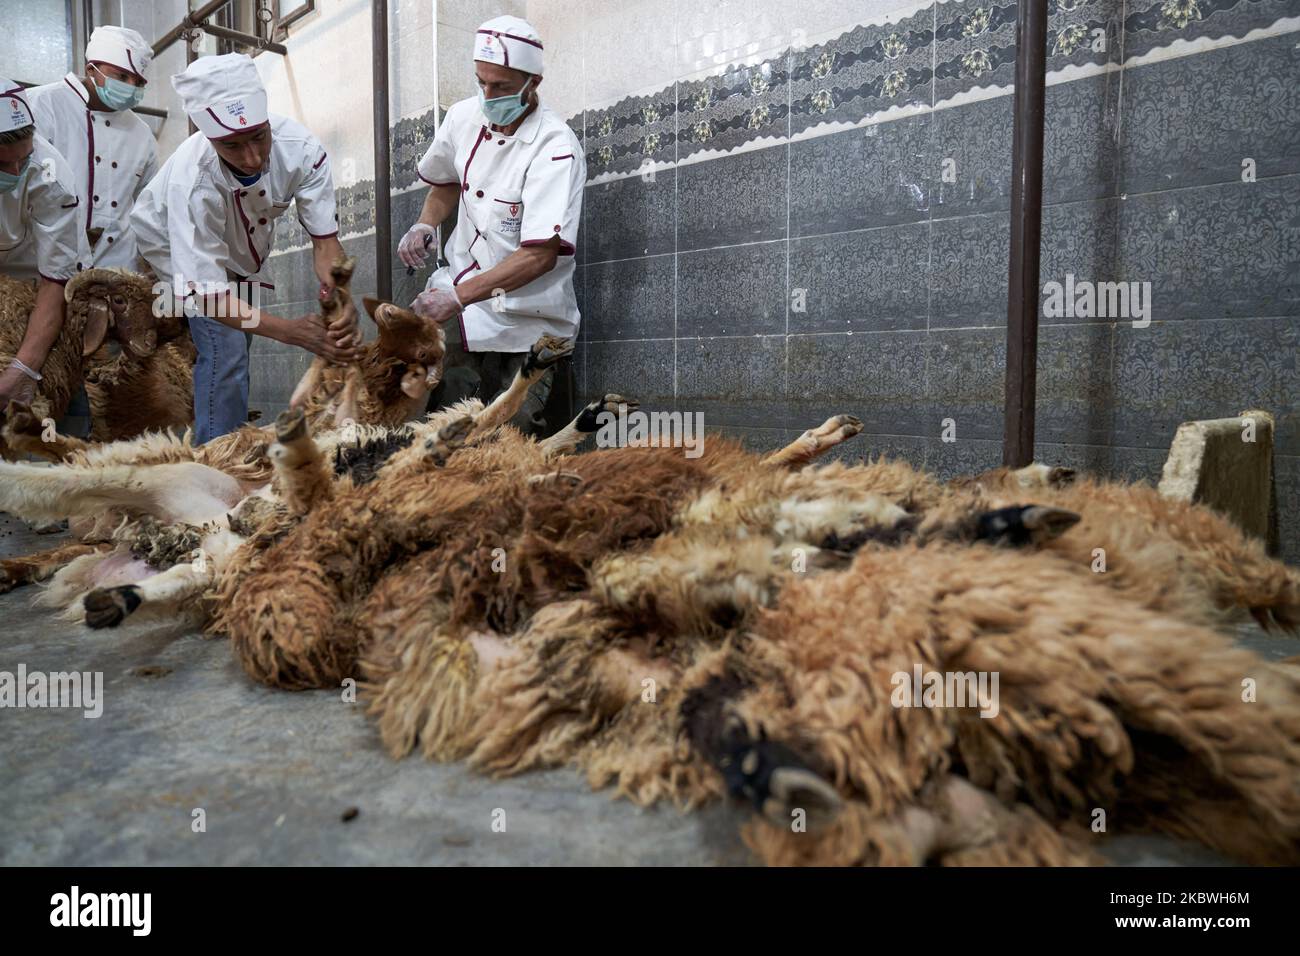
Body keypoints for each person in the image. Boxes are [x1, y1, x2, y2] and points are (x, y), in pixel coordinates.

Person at [131, 53, 357, 443]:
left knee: (241, 339)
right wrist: (288, 331)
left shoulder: (301, 150)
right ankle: (217, 466)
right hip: (168, 251)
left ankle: (221, 438)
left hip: (241, 262)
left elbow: (325, 243)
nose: (253, 157)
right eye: (233, 146)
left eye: (259, 136)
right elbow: (210, 296)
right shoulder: (193, 183)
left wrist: (341, 297)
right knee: (227, 345)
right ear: (209, 137)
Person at [399, 14, 585, 437]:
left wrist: (456, 298)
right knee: (445, 434)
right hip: (466, 315)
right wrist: (426, 223)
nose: (487, 95)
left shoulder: (555, 148)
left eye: (500, 87)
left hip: (529, 324)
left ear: (532, 83)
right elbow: (446, 182)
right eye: (481, 82)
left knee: (511, 438)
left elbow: (539, 256)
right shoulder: (464, 117)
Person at [27, 25, 159, 270]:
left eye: (139, 81)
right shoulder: (39, 105)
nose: (131, 86)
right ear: (91, 69)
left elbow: (148, 209)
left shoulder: (142, 134)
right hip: (43, 261)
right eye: (121, 76)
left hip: (117, 266)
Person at [0, 78, 86, 411]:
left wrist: (25, 367)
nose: (17, 170)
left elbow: (56, 278)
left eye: (24, 157)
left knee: (57, 384)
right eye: (4, 164)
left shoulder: (51, 175)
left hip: (33, 275)